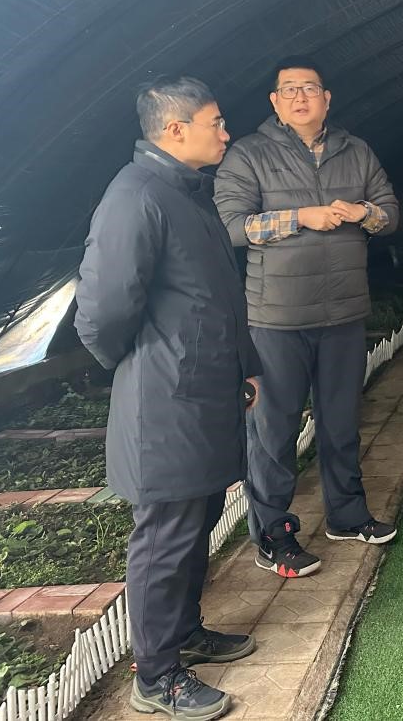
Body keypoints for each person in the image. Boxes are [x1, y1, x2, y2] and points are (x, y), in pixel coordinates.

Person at [75, 76, 259, 721]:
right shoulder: (136, 196)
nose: (226, 133)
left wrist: (243, 367)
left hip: (203, 389)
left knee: (198, 517)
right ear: (176, 130)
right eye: (216, 122)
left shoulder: (185, 192)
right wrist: (143, 364)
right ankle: (155, 678)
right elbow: (101, 311)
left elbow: (217, 296)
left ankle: (183, 632)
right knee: (165, 536)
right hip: (165, 399)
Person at [214, 55, 400, 579]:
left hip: (343, 311)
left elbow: (389, 212)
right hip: (275, 318)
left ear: (327, 99)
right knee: (273, 431)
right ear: (274, 101)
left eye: (310, 88)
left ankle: (348, 515)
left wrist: (364, 213)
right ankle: (273, 535)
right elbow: (231, 226)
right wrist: (299, 218)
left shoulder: (355, 150)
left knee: (342, 422)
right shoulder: (249, 154)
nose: (300, 97)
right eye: (289, 89)